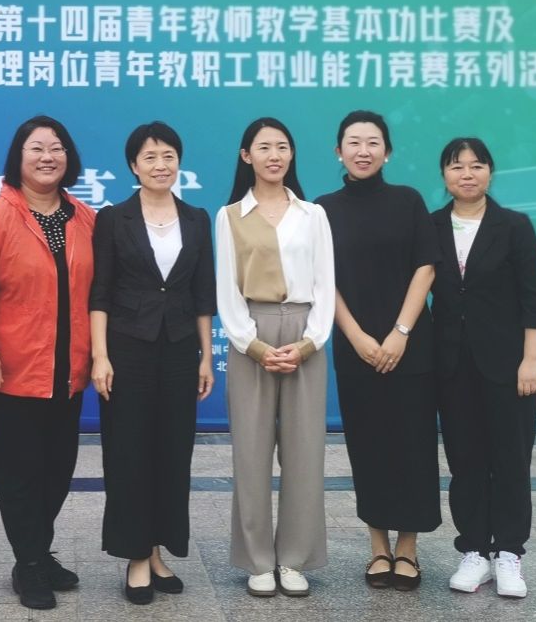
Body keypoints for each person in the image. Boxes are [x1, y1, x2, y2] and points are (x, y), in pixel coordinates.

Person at [0, 115, 96, 610]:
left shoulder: (84, 217)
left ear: (68, 157)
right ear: (18, 158)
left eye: (56, 148)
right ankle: (30, 564)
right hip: (12, 368)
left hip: (68, 368)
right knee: (21, 473)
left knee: (58, 469)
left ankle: (36, 551)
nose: (47, 156)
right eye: (36, 148)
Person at [89, 122, 217, 605]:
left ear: (178, 161)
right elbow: (99, 293)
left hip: (180, 350)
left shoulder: (197, 218)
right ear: (133, 166)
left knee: (172, 453)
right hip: (127, 351)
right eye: (150, 157)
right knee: (129, 454)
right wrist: (100, 356)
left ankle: (159, 550)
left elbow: (203, 294)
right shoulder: (113, 219)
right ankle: (136, 556)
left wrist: (205, 357)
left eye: (168, 156)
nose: (160, 165)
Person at [314, 111, 440, 591]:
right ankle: (378, 548)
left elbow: (426, 267)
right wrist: (357, 336)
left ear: (387, 152)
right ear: (338, 151)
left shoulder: (408, 200)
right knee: (367, 447)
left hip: (410, 346)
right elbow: (322, 280)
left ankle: (407, 548)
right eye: (353, 142)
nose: (362, 150)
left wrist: (400, 332)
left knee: (412, 446)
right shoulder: (322, 209)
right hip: (356, 348)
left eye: (372, 142)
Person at [215, 117, 335, 599]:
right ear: (246, 156)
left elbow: (326, 284)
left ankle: (294, 559)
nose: (274, 156)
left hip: (305, 335)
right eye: (264, 147)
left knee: (305, 453)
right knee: (251, 452)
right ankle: (258, 561)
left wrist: (308, 343)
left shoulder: (313, 215)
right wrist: (256, 346)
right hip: (252, 337)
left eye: (282, 147)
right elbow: (227, 292)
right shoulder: (229, 216)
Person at [430, 137, 536, 599]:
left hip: (510, 366)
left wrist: (531, 360)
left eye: (477, 165)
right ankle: (474, 551)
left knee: (510, 460)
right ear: (444, 175)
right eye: (457, 166)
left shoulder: (513, 226)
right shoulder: (431, 226)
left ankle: (509, 553)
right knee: (465, 462)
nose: (467, 174)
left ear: (490, 172)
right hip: (452, 366)